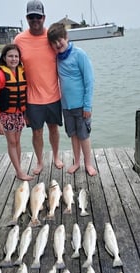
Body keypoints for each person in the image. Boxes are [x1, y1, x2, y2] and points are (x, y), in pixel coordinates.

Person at [14, 0, 63, 175]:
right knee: (36, 132)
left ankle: (56, 157)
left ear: (44, 17)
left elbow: (66, 57)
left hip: (54, 95)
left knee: (53, 129)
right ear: (27, 18)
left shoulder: (51, 36)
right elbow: (14, 69)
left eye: (38, 16)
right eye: (31, 17)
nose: (35, 20)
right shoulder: (19, 39)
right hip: (32, 98)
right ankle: (40, 161)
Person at [47, 23, 97, 176]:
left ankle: (88, 163)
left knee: (84, 136)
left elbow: (89, 81)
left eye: (60, 40)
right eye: (54, 42)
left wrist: (88, 106)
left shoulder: (79, 54)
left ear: (66, 37)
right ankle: (77, 162)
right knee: (73, 135)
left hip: (82, 106)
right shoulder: (56, 58)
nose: (57, 44)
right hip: (66, 106)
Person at [0, 43, 34, 181]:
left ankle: (18, 169)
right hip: (6, 114)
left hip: (19, 113)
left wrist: (26, 114)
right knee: (12, 142)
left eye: (16, 56)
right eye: (10, 56)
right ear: (4, 58)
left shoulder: (21, 71)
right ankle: (19, 171)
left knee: (17, 141)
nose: (14, 59)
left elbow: (24, 94)